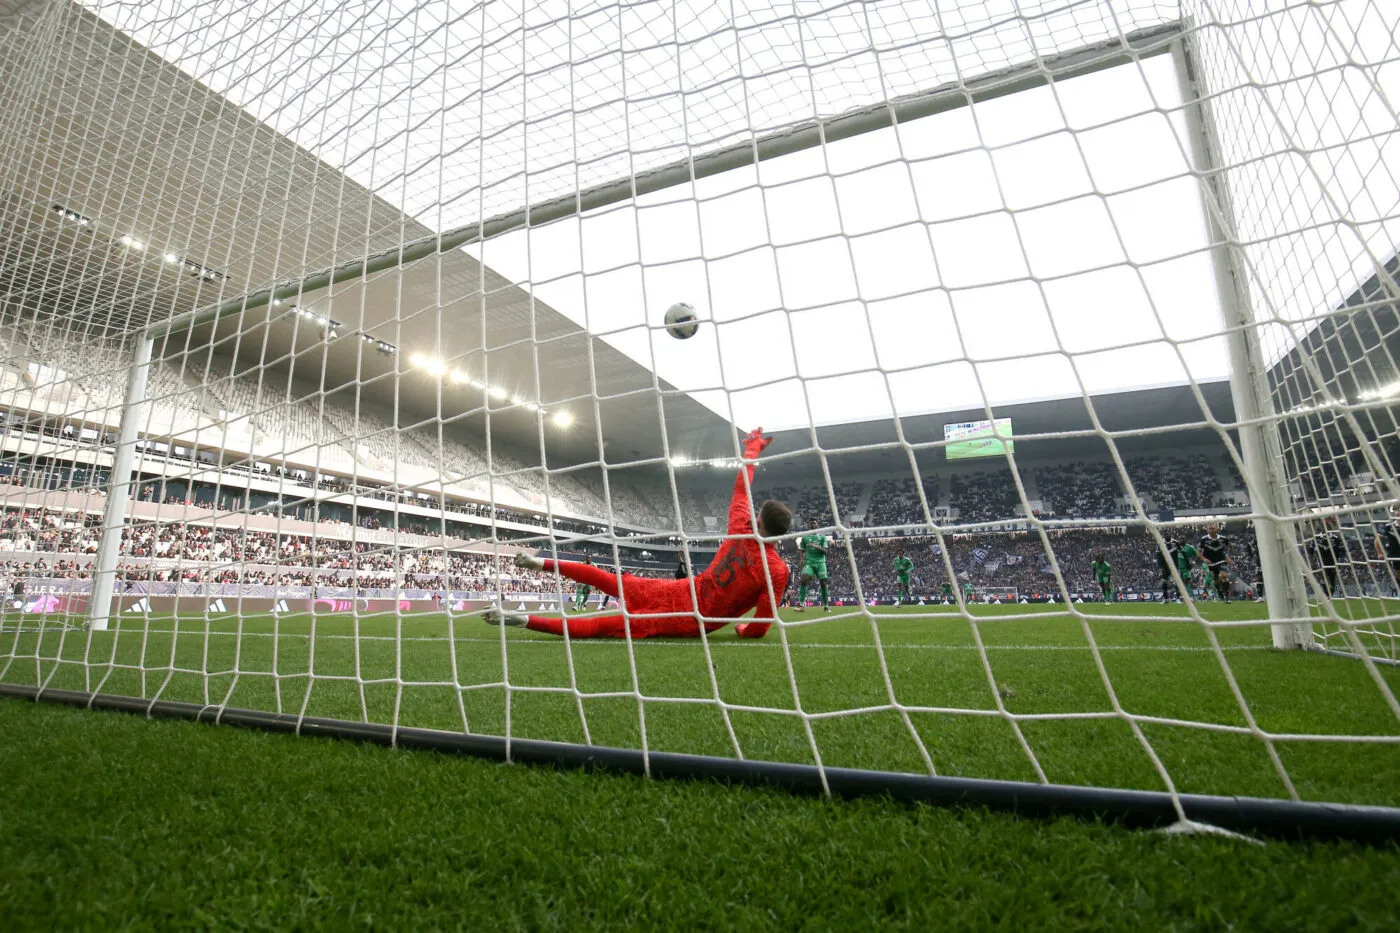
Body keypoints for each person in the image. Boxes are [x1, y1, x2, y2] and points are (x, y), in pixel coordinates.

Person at [484, 429, 791, 638]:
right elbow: (761, 624)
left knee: (608, 580)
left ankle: (540, 564)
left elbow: (741, 488)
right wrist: (741, 630)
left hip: (683, 590)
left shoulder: (740, 528)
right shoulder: (776, 570)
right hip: (690, 617)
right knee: (607, 626)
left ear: (759, 522)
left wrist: (752, 448)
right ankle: (524, 620)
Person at [794, 518, 831, 612]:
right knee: (804, 579)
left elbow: (825, 551)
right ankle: (801, 605)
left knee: (823, 584)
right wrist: (802, 559)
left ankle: (826, 606)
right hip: (809, 562)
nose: (812, 525)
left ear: (817, 525)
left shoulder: (822, 537)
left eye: (814, 523)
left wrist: (815, 546)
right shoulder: (805, 538)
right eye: (810, 523)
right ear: (808, 526)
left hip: (820, 563)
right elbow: (801, 550)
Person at [1307, 516, 1346, 599]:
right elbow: (1310, 549)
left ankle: (1330, 593)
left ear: (1329, 529)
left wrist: (1341, 558)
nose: (1324, 529)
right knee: (1323, 578)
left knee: (1332, 579)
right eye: (1322, 527)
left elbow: (1343, 549)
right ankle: (1326, 594)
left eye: (1326, 527)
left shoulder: (1335, 538)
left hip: (1333, 561)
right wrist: (1311, 555)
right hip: (1321, 561)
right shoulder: (1316, 538)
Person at [1199, 524, 1232, 602]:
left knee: (1224, 576)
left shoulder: (1223, 538)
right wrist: (1204, 559)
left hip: (1221, 560)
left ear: (1217, 530)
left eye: (1212, 529)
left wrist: (1229, 557)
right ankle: (1220, 593)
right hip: (1211, 563)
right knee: (1216, 580)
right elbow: (1199, 552)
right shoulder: (1204, 539)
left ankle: (1227, 597)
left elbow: (1231, 546)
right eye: (1209, 529)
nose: (1210, 530)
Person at [1374, 505, 1400, 594]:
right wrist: (1379, 553)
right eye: (1397, 513)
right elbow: (1377, 540)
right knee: (1399, 575)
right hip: (1395, 555)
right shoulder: (1388, 526)